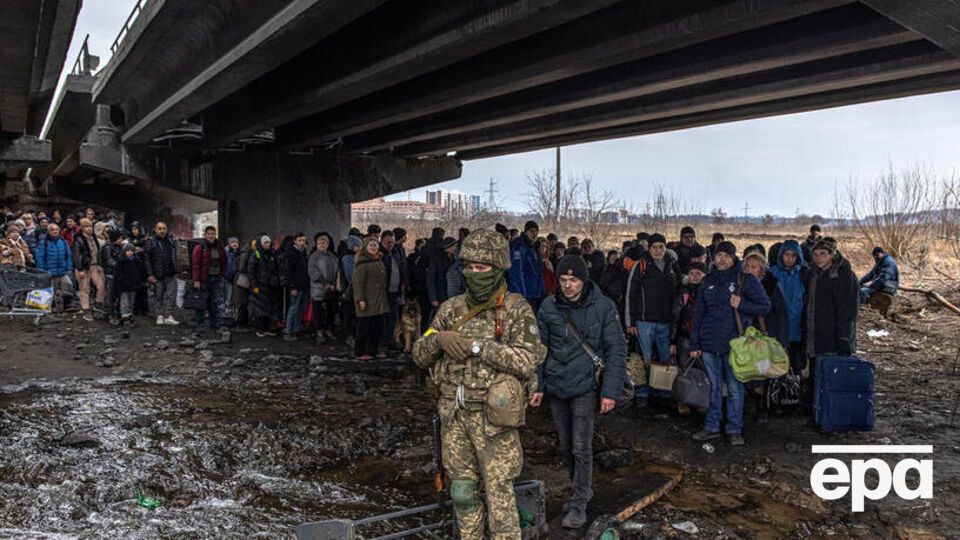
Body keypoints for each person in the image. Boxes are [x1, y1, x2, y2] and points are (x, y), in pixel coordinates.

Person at [412, 229, 546, 540]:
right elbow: (420, 353)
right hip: (455, 416)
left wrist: (478, 347)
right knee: (461, 492)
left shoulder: (515, 309)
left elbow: (527, 360)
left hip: (493, 421)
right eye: (469, 266)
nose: (474, 273)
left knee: (500, 496)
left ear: (499, 269)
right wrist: (438, 341)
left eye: (482, 268)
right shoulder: (449, 310)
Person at [532, 255, 626, 529]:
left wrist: (610, 390)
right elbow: (539, 349)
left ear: (584, 281)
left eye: (573, 280)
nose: (568, 285)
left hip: (585, 385)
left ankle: (579, 502)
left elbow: (616, 349)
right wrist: (537, 384)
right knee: (565, 446)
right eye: (563, 280)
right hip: (557, 385)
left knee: (581, 447)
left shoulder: (604, 307)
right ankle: (581, 489)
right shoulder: (549, 307)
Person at [690, 241, 771, 446]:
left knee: (735, 388)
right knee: (714, 387)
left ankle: (734, 429)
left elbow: (765, 306)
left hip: (736, 345)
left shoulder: (744, 280)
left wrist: (741, 304)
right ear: (713, 258)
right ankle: (711, 427)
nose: (722, 259)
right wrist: (694, 343)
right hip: (709, 343)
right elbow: (698, 314)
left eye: (727, 255)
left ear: (734, 258)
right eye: (718, 255)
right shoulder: (707, 281)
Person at [624, 233, 678, 406]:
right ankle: (642, 392)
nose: (658, 250)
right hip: (644, 320)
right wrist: (630, 322)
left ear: (665, 248)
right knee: (644, 358)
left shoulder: (671, 265)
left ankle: (663, 391)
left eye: (661, 247)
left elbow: (677, 290)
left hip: (665, 321)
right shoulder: (641, 265)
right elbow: (630, 294)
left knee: (664, 358)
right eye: (655, 247)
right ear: (649, 247)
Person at [805, 237, 859, 396]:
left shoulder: (844, 276)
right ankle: (817, 410)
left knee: (833, 379)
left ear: (832, 254)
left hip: (835, 337)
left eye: (823, 254)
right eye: (815, 254)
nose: (818, 258)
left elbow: (848, 310)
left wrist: (845, 338)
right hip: (815, 334)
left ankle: (832, 413)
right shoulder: (813, 274)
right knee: (816, 376)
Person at [742, 248, 789, 423]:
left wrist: (783, 340)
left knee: (763, 371)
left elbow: (782, 313)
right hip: (747, 334)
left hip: (766, 333)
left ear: (761, 268)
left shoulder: (771, 284)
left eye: (754, 267)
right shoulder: (741, 284)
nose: (750, 270)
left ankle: (763, 406)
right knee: (748, 369)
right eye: (747, 267)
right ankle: (750, 403)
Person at [768, 240, 809, 374]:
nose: (789, 259)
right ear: (781, 255)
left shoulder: (804, 274)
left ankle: (795, 392)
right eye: (786, 255)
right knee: (775, 366)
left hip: (796, 328)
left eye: (793, 255)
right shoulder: (772, 273)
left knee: (796, 366)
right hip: (776, 327)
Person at [352, 236, 388, 360]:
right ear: (366, 248)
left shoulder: (378, 260)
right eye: (371, 245)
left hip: (378, 299)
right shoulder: (362, 263)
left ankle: (373, 350)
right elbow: (358, 283)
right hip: (367, 299)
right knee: (364, 326)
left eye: (375, 245)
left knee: (376, 327)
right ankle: (360, 351)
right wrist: (360, 299)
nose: (373, 248)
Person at [191, 226, 227, 331]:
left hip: (216, 278)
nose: (211, 236)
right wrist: (196, 280)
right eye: (209, 234)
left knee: (214, 302)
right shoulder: (200, 247)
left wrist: (222, 275)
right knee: (201, 301)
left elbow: (224, 262)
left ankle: (214, 323)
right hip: (204, 279)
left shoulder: (220, 247)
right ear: (205, 235)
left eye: (213, 233)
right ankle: (200, 324)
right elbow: (196, 265)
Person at [143, 222, 180, 325]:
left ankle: (168, 315)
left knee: (171, 295)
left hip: (171, 272)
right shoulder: (150, 242)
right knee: (157, 296)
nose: (162, 231)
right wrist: (150, 274)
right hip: (157, 274)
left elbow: (175, 255)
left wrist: (177, 268)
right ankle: (159, 315)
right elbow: (146, 260)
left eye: (164, 228)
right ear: (155, 229)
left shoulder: (170, 240)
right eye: (159, 229)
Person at [35, 223, 76, 310]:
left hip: (62, 270)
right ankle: (50, 306)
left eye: (56, 229)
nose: (55, 231)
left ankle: (68, 304)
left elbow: (68, 256)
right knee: (50, 289)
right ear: (48, 231)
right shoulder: (43, 243)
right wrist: (41, 271)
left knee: (68, 285)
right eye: (52, 230)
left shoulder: (63, 242)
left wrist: (69, 267)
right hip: (49, 271)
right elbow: (39, 258)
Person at [507, 220, 545, 312]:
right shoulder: (519, 246)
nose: (534, 234)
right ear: (526, 232)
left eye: (536, 231)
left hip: (535, 293)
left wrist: (542, 289)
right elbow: (516, 272)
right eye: (531, 231)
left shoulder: (535, 246)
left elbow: (538, 272)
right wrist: (520, 294)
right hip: (525, 294)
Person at [72, 218, 105, 322]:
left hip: (95, 265)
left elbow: (98, 252)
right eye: (86, 226)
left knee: (101, 286)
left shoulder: (93, 238)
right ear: (81, 228)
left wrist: (100, 264)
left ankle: (97, 305)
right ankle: (86, 310)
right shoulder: (78, 239)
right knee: (84, 289)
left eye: (90, 226)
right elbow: (76, 255)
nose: (89, 228)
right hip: (84, 266)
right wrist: (80, 269)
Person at [309, 232, 340, 343]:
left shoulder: (333, 256)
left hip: (331, 289)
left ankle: (328, 329)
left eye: (324, 243)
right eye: (319, 243)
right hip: (318, 289)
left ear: (328, 244)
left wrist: (335, 284)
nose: (322, 245)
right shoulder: (314, 256)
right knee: (318, 312)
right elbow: (312, 272)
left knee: (330, 311)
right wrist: (324, 282)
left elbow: (337, 271)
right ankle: (319, 331)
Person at [248, 235, 281, 337]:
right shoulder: (256, 255)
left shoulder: (273, 253)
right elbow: (251, 272)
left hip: (271, 286)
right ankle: (260, 329)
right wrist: (254, 286)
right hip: (260, 286)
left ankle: (269, 328)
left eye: (268, 242)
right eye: (265, 243)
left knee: (271, 309)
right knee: (259, 309)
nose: (267, 244)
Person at [279, 232, 310, 341]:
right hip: (296, 286)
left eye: (303, 240)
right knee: (294, 308)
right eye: (300, 240)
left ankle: (295, 330)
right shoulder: (290, 254)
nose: (302, 243)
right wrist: (292, 287)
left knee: (299, 309)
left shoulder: (303, 254)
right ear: (295, 241)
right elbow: (287, 272)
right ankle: (288, 331)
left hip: (303, 286)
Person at [380, 230, 407, 349]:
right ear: (382, 241)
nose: (390, 245)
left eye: (392, 242)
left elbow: (402, 268)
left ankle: (390, 339)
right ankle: (383, 340)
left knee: (393, 316)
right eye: (387, 242)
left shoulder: (397, 252)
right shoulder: (379, 254)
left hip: (395, 290)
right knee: (383, 317)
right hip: (383, 292)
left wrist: (403, 283)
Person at [114, 242, 146, 327]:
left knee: (131, 302)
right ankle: (124, 316)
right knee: (124, 302)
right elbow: (117, 275)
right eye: (128, 251)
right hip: (124, 286)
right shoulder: (121, 262)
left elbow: (140, 273)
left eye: (131, 251)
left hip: (133, 286)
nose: (130, 252)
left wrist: (139, 282)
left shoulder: (136, 261)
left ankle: (129, 315)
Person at [340, 235, 363, 345]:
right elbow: (350, 276)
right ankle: (349, 335)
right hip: (351, 290)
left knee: (353, 314)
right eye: (358, 246)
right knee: (350, 314)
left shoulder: (349, 257)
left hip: (352, 290)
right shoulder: (348, 258)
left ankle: (352, 334)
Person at [100, 229, 124, 324]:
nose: (121, 240)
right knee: (110, 295)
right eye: (119, 238)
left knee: (118, 295)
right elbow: (108, 260)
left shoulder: (120, 247)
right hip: (111, 274)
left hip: (119, 274)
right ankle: (110, 314)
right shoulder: (107, 248)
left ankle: (116, 313)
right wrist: (120, 265)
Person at [427, 236, 456, 311]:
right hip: (440, 294)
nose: (455, 248)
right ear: (448, 246)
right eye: (453, 246)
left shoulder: (454, 258)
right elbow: (430, 279)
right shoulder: (436, 259)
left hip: (451, 293)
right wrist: (433, 298)